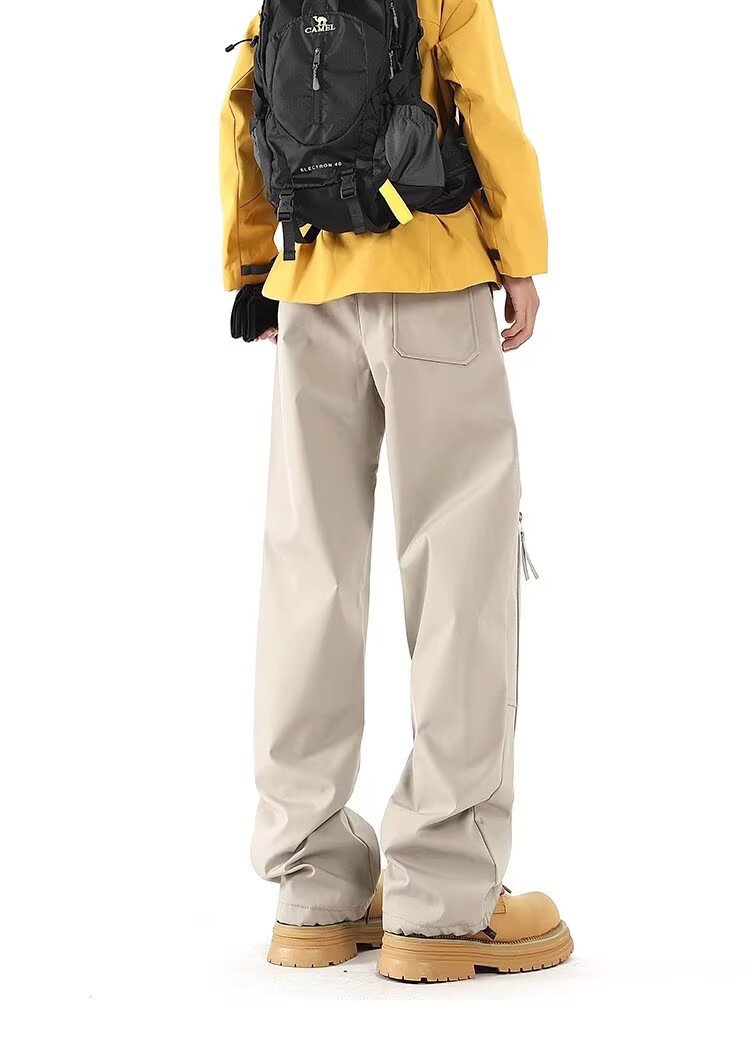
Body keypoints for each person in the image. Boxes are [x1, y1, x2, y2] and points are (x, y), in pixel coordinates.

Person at [219, 0, 573, 983]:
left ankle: (312, 884)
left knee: (310, 576)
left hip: (307, 287)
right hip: (432, 275)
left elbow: (245, 103)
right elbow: (485, 108)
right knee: (459, 573)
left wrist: (252, 265)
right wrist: (519, 258)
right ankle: (443, 896)